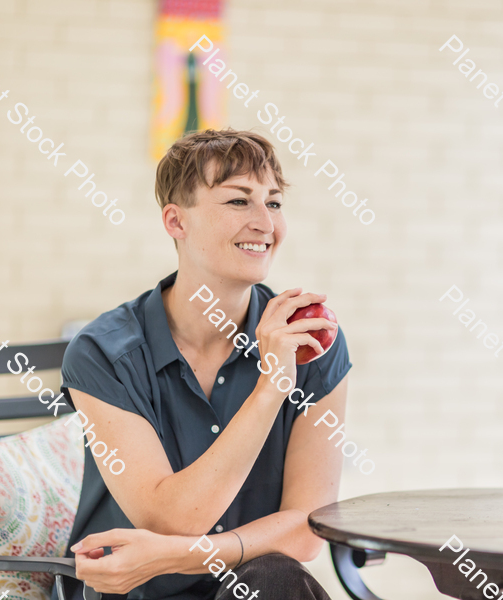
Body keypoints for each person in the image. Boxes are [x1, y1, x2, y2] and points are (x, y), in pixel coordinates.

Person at [56, 129, 350, 600]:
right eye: (238, 202)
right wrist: (271, 387)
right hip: (135, 593)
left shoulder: (314, 343)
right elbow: (172, 519)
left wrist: (178, 554)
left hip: (253, 590)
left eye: (273, 203)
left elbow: (308, 527)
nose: (265, 222)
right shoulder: (103, 353)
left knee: (275, 577)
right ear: (176, 221)